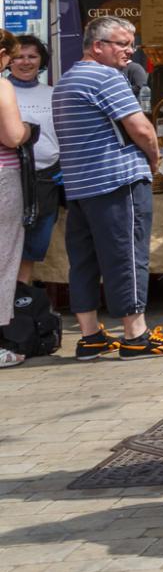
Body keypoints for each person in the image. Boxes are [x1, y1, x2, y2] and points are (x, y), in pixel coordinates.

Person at [51, 17, 163, 359]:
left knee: (83, 260)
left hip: (80, 184)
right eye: (123, 44)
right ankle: (135, 336)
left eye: (131, 44)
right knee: (126, 256)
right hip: (116, 180)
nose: (130, 51)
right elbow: (141, 128)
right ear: (98, 46)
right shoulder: (106, 76)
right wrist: (153, 161)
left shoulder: (67, 79)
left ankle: (91, 335)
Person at [9, 35, 60, 290]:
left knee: (33, 247)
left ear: (41, 60)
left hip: (46, 179)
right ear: (8, 59)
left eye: (32, 56)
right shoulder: (3, 90)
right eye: (19, 56)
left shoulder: (54, 94)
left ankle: (20, 303)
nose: (25, 62)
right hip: (9, 178)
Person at [0, 33, 29, 367]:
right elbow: (11, 134)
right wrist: (28, 131)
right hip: (3, 177)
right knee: (5, 257)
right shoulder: (3, 86)